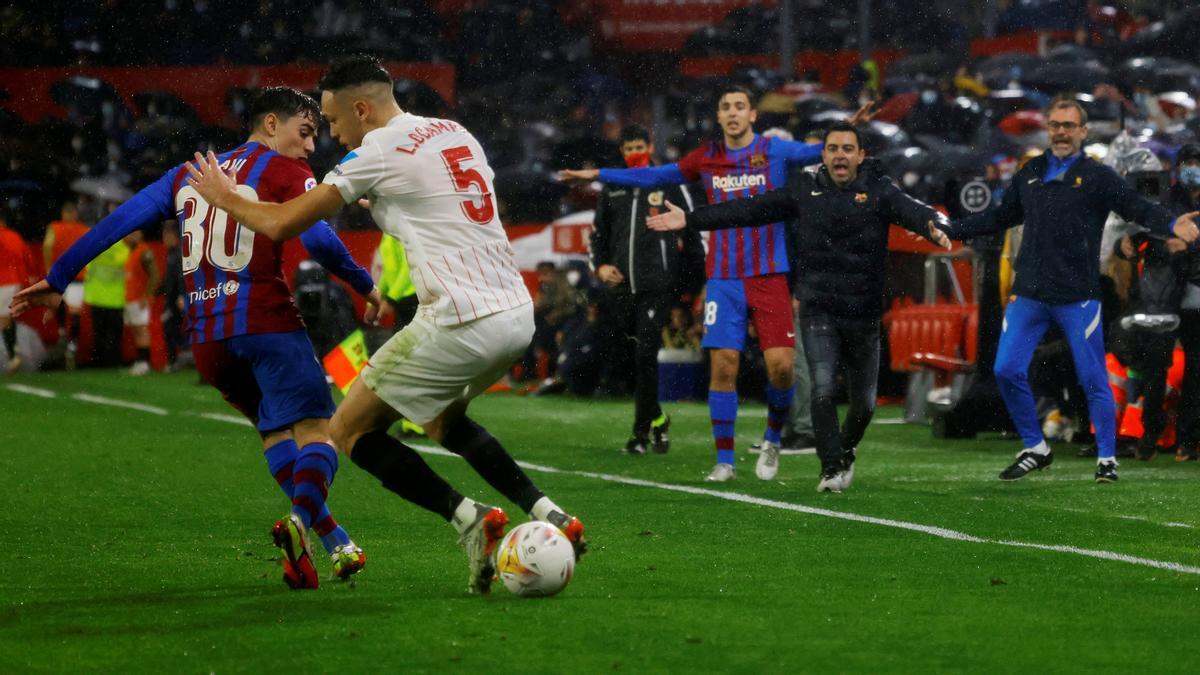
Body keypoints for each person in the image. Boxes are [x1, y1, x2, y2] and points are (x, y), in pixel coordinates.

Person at [182, 54, 586, 595]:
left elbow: (281, 224)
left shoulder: (377, 148)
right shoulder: (453, 131)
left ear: (362, 109)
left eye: (333, 120)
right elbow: (438, 205)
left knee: (347, 430)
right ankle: (548, 510)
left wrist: (224, 197)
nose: (331, 132)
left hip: (459, 317)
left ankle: (468, 519)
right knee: (445, 420)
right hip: (514, 313)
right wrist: (383, 206)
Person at [11, 86, 382, 589]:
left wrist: (58, 278)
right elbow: (318, 237)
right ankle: (299, 524)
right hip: (266, 322)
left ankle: (333, 539)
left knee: (274, 433)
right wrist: (366, 285)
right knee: (320, 432)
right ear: (270, 124)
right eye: (305, 131)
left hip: (208, 340)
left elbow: (118, 222)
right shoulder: (283, 171)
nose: (311, 146)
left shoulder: (188, 174)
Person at [562, 86, 874, 482]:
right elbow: (658, 174)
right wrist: (598, 174)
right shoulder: (707, 157)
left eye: (739, 106)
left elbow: (820, 151)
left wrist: (849, 126)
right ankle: (724, 461)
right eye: (725, 106)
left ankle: (773, 437)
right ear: (720, 116)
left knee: (782, 369)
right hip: (724, 278)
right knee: (722, 366)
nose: (732, 113)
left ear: (752, 116)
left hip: (769, 273)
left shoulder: (775, 151)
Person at [648, 122, 951, 492]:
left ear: (860, 156)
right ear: (823, 155)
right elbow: (750, 208)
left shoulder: (879, 190)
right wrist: (692, 219)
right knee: (822, 390)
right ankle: (829, 468)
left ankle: (845, 451)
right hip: (818, 307)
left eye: (847, 148)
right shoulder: (804, 189)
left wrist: (936, 223)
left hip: (863, 311)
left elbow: (914, 210)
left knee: (864, 406)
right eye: (833, 148)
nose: (840, 155)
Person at [936, 99, 1200, 483]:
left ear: (1083, 131)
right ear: (1049, 128)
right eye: (1055, 124)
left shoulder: (1098, 176)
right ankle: (1035, 446)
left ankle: (1107, 458)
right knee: (1005, 369)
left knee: (1093, 378)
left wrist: (1171, 223)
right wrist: (951, 229)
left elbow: (1136, 206)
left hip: (1078, 297)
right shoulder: (1030, 172)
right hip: (1030, 295)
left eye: (1069, 125)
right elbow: (999, 217)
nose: (1061, 131)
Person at [590, 124, 704, 455]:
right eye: (628, 149)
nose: (634, 153)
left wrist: (686, 291)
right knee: (628, 358)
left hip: (656, 288)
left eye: (639, 146)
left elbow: (693, 233)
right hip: (621, 288)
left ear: (650, 145)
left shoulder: (669, 182)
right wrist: (600, 266)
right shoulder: (612, 187)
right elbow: (597, 236)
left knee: (644, 355)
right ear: (622, 154)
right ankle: (657, 419)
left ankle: (639, 436)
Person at [1166, 143, 1200, 461]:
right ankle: (1187, 440)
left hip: (1190, 289)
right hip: (1183, 294)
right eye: (1188, 162)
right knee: (1194, 368)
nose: (1193, 167)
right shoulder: (1169, 200)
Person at [43, 201, 90, 369]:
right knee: (75, 311)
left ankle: (63, 333)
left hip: (61, 275)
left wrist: (49, 268)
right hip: (78, 276)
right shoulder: (84, 229)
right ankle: (72, 344)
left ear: (63, 213)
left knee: (59, 302)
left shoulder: (55, 227)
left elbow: (48, 246)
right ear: (75, 214)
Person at [122, 230, 161, 375]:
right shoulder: (131, 251)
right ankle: (140, 361)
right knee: (136, 330)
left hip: (139, 298)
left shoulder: (144, 251)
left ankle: (144, 362)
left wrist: (147, 295)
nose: (128, 236)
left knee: (141, 330)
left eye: (132, 234)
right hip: (131, 297)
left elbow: (155, 275)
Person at [0, 211, 31, 373]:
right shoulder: (15, 236)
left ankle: (13, 355)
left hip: (3, 282)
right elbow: (26, 257)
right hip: (15, 282)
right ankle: (13, 352)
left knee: (4, 320)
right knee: (7, 318)